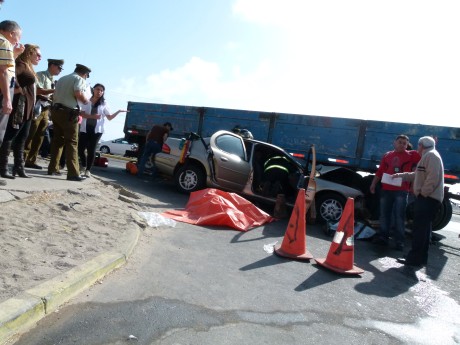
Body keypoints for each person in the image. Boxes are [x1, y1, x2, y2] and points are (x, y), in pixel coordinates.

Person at [393, 136, 444, 266]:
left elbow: (432, 178)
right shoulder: (429, 155)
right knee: (424, 230)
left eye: (418, 145)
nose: (417, 148)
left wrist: (422, 194)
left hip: (428, 199)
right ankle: (419, 259)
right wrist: (401, 175)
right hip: (429, 198)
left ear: (422, 145)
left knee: (420, 230)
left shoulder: (431, 156)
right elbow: (417, 175)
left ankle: (414, 259)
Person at [369, 134, 421, 250]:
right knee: (384, 215)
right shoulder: (387, 155)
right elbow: (380, 171)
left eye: (404, 143)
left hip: (401, 191)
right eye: (400, 142)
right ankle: (383, 238)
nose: (402, 144)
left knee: (399, 216)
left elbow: (425, 154)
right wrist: (373, 184)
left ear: (407, 145)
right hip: (386, 190)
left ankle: (399, 242)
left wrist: (433, 144)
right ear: (394, 142)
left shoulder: (412, 155)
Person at [0, 44, 41, 179]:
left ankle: (19, 168)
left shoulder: (29, 67)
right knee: (10, 136)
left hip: (29, 109)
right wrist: (17, 88)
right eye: (38, 54)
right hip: (20, 107)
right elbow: (11, 75)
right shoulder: (21, 64)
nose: (40, 57)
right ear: (29, 53)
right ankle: (3, 168)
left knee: (22, 139)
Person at [47, 63, 91, 181]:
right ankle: (73, 173)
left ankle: (52, 168)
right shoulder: (79, 79)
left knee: (57, 140)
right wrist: (86, 101)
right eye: (86, 76)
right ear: (85, 74)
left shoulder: (62, 78)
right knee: (72, 142)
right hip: (69, 113)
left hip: (56, 111)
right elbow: (78, 93)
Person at [78, 83, 127, 177]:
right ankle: (83, 166)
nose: (99, 92)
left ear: (103, 92)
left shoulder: (104, 103)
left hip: (97, 130)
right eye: (97, 89)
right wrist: (92, 116)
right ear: (93, 90)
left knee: (91, 149)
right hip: (85, 128)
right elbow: (82, 114)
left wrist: (118, 111)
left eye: (101, 90)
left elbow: (109, 117)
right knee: (80, 149)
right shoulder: (87, 100)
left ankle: (88, 170)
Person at [24, 58, 64, 169]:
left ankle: (31, 160)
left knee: (40, 136)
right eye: (59, 68)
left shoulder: (53, 80)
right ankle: (22, 158)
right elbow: (38, 91)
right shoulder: (40, 75)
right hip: (37, 107)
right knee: (30, 134)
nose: (60, 70)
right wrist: (55, 91)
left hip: (46, 109)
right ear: (52, 65)